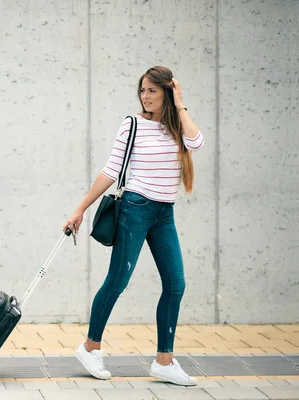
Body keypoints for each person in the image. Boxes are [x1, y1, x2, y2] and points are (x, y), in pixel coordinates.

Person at [63, 66, 204, 386]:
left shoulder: (176, 126)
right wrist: (80, 209)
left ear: (167, 92)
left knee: (176, 284)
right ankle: (90, 347)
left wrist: (180, 103)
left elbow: (196, 142)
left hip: (163, 213)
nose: (146, 96)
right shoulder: (133, 125)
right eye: (142, 90)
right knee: (117, 280)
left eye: (152, 90)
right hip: (135, 209)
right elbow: (111, 169)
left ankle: (164, 361)